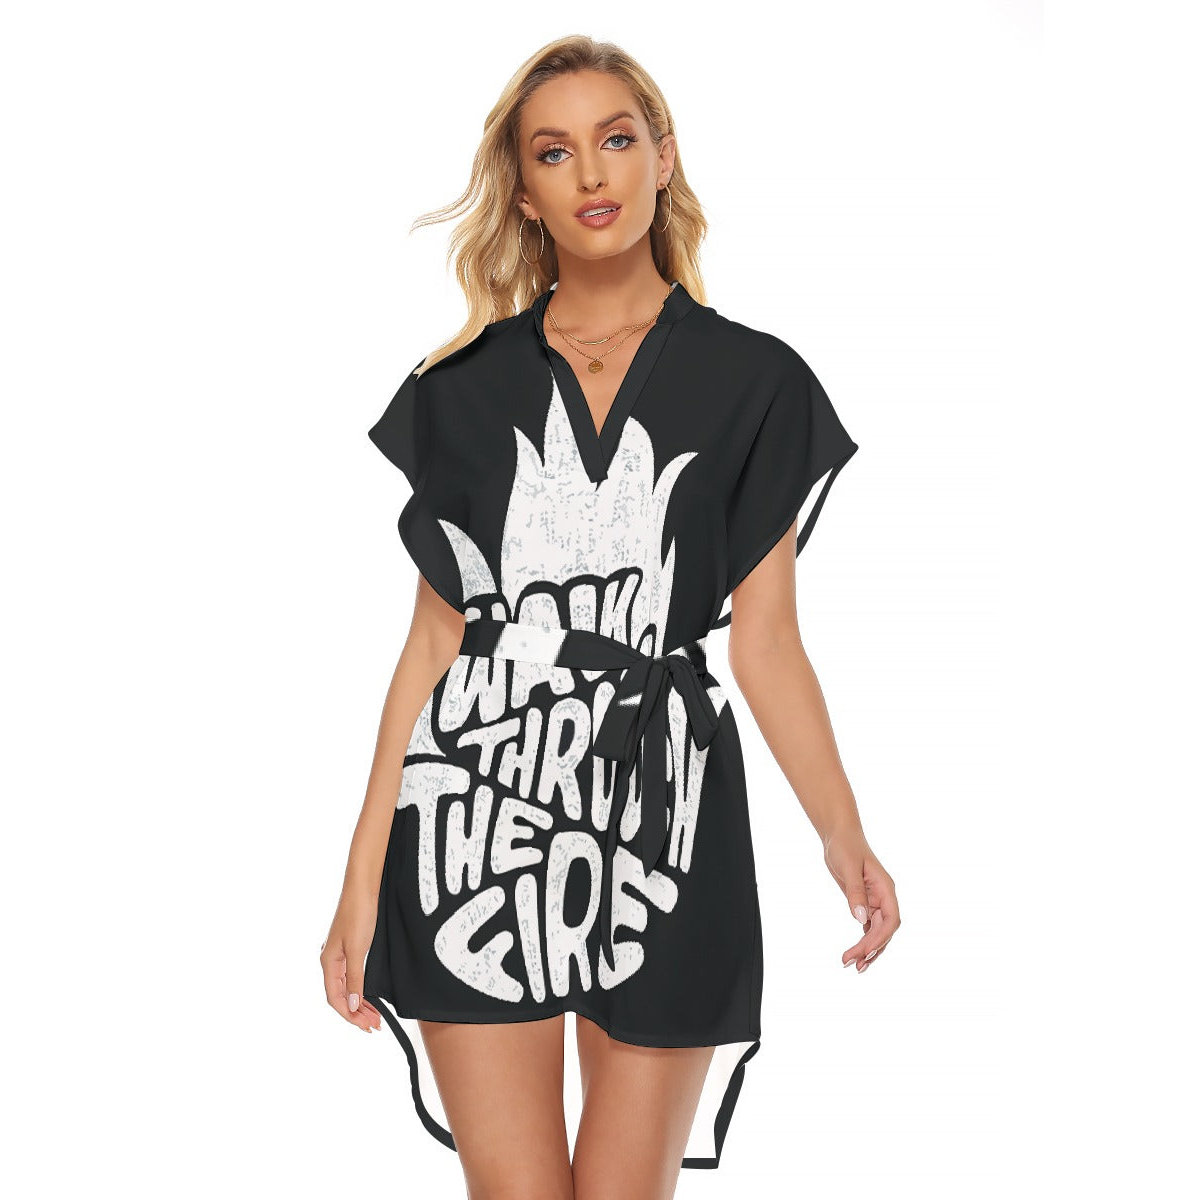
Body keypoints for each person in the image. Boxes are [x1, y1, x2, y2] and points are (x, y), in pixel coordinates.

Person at [320, 34, 900, 1200]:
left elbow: (767, 644)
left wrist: (843, 836)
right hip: (477, 811)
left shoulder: (754, 382)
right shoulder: (459, 389)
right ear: (523, 192)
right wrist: (360, 875)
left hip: (667, 819)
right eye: (554, 151)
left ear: (663, 158)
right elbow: (434, 643)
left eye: (617, 139)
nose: (591, 172)